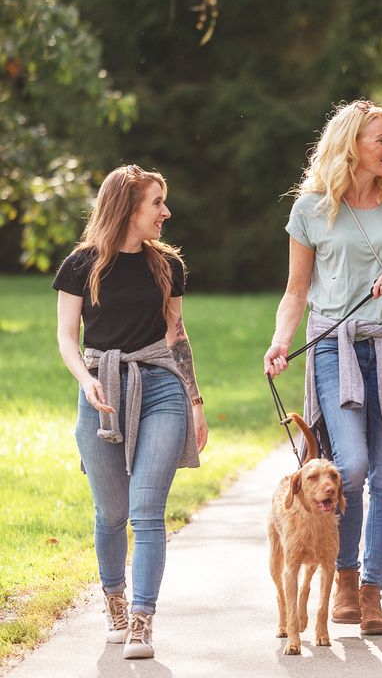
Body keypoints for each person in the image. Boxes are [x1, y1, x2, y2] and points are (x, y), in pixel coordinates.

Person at [263, 99, 382, 637]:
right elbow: (296, 290)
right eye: (381, 141)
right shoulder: (311, 210)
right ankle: (342, 576)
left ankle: (370, 594)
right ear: (351, 147)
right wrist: (279, 343)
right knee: (355, 467)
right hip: (333, 350)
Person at [53, 165, 208, 660]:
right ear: (127, 208)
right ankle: (114, 600)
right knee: (111, 512)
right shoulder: (80, 266)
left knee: (146, 512)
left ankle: (142, 619)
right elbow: (66, 338)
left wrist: (196, 402)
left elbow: (177, 337)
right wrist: (87, 380)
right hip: (101, 387)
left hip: (161, 386)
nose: (166, 212)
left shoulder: (167, 266)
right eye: (156, 203)